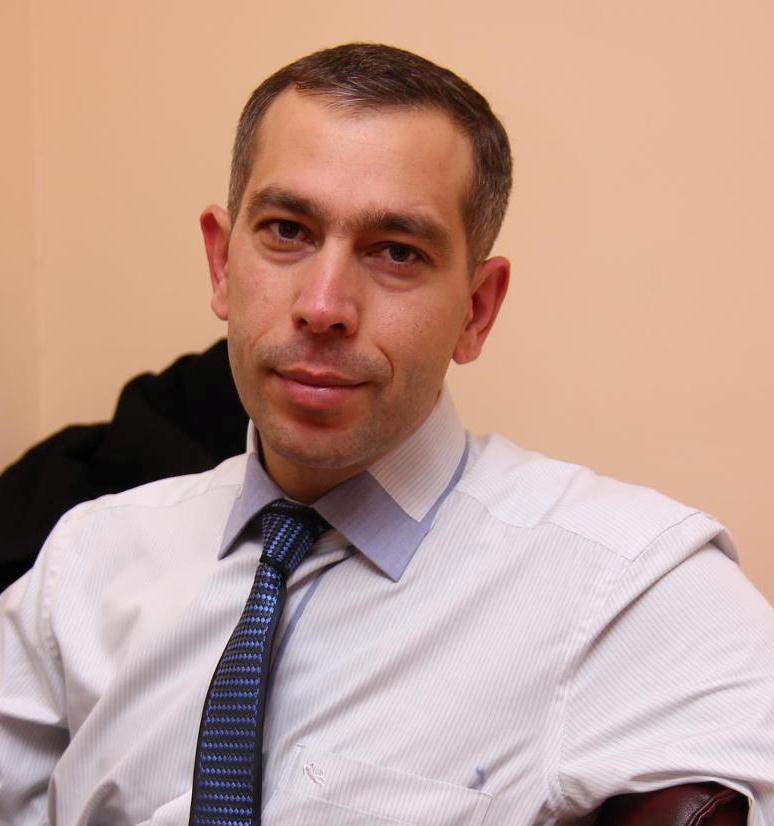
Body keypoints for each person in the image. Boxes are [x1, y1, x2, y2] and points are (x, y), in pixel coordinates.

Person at [1, 43, 772, 826]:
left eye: (397, 252)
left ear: (477, 309)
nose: (324, 305)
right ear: (221, 264)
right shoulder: (86, 564)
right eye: (287, 230)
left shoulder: (624, 587)